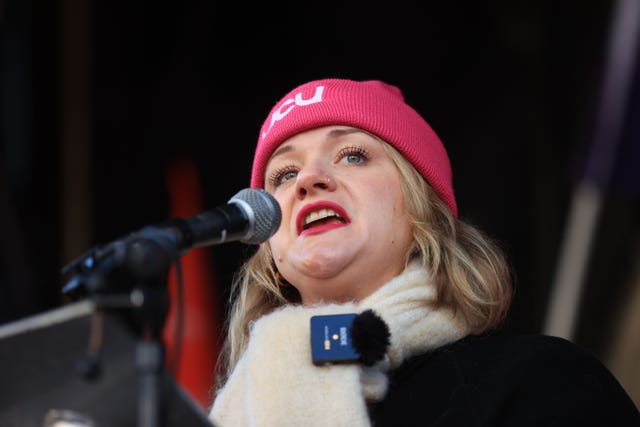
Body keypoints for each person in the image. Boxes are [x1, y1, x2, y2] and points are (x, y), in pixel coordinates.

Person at [207, 78, 640, 426]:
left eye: (353, 155)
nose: (309, 179)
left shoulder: (538, 380)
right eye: (283, 173)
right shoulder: (228, 414)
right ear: (269, 250)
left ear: (422, 209)